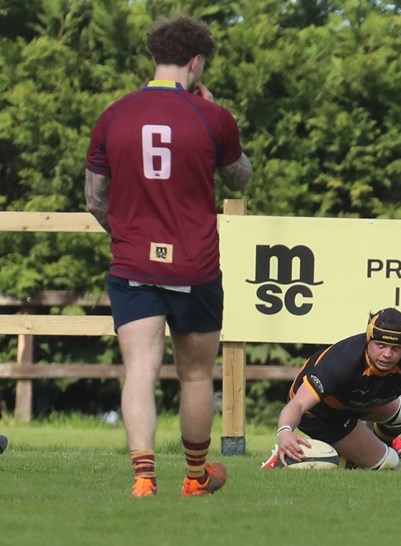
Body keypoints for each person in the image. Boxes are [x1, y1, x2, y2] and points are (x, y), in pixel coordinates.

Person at [85, 16, 252, 497]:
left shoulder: (114, 114)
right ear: (196, 63)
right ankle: (196, 477)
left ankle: (143, 478)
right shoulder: (212, 117)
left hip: (133, 263)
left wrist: (126, 236)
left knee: (139, 370)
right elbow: (238, 178)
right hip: (194, 265)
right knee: (195, 374)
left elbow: (94, 198)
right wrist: (216, 114)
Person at [263, 307, 401, 472]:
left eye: (396, 348)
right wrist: (285, 431)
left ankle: (381, 444)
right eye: (380, 345)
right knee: (390, 463)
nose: (387, 354)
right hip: (320, 413)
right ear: (368, 339)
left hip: (357, 400)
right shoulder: (342, 360)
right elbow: (299, 404)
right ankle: (287, 459)